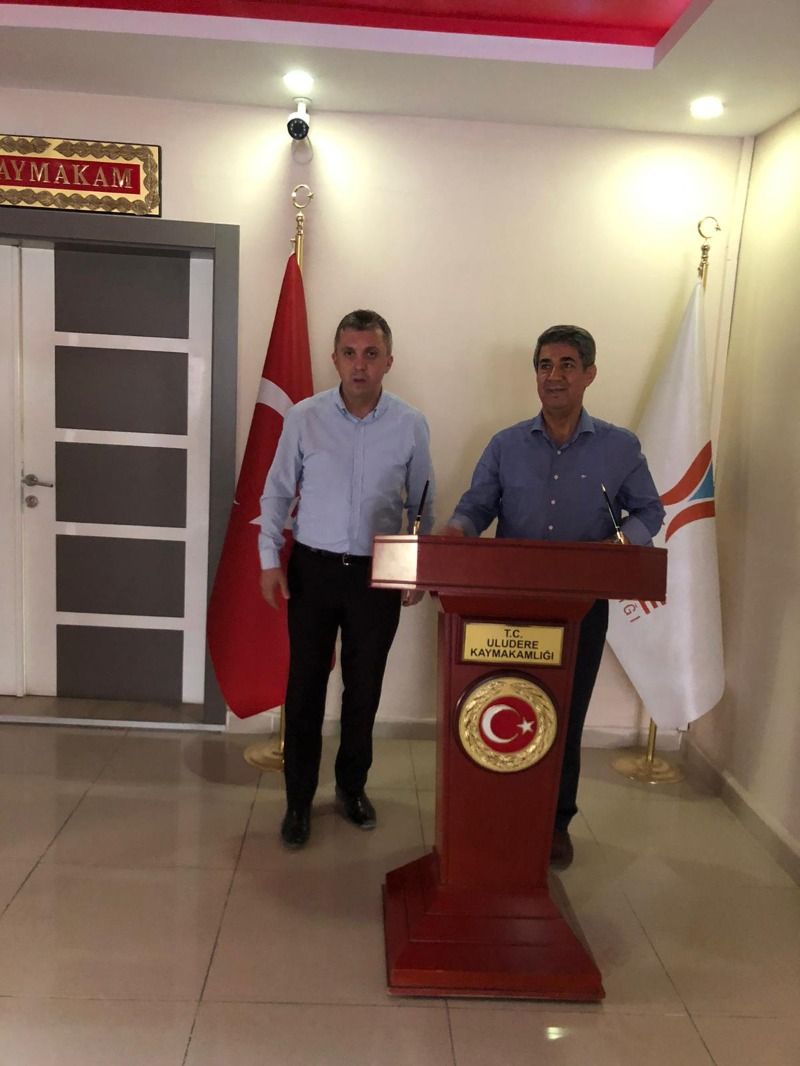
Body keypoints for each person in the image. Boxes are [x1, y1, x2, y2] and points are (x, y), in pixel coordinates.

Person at [442, 324, 664, 869]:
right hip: (506, 606)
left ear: (589, 374)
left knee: (564, 713)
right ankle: (496, 807)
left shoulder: (619, 446)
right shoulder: (505, 444)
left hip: (580, 609)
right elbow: (476, 507)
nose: (554, 375)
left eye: (567, 364)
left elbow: (649, 510)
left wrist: (618, 548)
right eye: (544, 365)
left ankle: (556, 822)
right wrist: (455, 533)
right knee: (502, 704)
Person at [259, 309, 434, 849]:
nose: (360, 365)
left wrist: (417, 569)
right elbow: (277, 492)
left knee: (364, 689)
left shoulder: (410, 423)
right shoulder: (304, 418)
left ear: (388, 361)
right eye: (350, 353)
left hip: (375, 576)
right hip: (312, 572)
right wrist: (268, 560)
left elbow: (422, 505)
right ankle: (298, 800)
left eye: (371, 354)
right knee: (305, 689)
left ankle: (351, 789)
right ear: (334, 359)